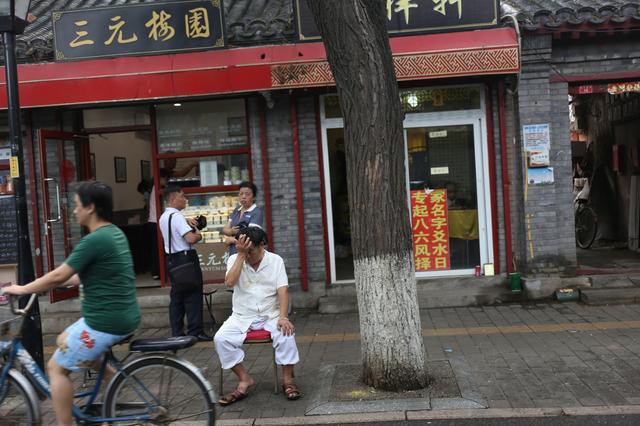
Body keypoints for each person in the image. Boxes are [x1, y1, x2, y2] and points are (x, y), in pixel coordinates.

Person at [3, 181, 141, 426]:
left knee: (56, 367)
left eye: (76, 205)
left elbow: (59, 274)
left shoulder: (94, 240)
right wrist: (59, 282)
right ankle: (112, 382)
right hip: (119, 316)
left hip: (105, 322)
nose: (73, 210)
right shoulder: (114, 233)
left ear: (90, 208)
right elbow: (83, 274)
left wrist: (23, 288)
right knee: (63, 338)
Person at [214, 227, 301, 405]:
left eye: (250, 251)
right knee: (220, 339)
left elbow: (283, 291)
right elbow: (229, 282)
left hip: (270, 314)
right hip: (242, 315)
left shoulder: (275, 261)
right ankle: (244, 379)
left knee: (286, 333)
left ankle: (288, 381)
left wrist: (283, 317)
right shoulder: (235, 259)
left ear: (261, 245)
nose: (247, 255)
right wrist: (240, 255)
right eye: (243, 249)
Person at [159, 186, 212, 341]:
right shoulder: (176, 217)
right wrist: (198, 234)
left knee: (177, 295)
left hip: (172, 259)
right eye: (182, 196)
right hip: (186, 258)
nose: (185, 199)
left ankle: (177, 331)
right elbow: (190, 239)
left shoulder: (164, 217)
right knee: (193, 294)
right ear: (173, 199)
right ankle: (195, 331)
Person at [148, 156, 199, 279]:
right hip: (154, 222)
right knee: (157, 248)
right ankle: (157, 273)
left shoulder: (167, 215)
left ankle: (161, 273)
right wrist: (198, 233)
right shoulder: (160, 190)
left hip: (158, 222)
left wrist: (185, 220)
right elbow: (191, 239)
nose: (167, 181)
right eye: (165, 179)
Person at [221, 181, 264, 256]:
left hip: (248, 255)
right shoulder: (237, 210)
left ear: (253, 197)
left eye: (247, 194)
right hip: (233, 254)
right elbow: (225, 229)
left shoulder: (256, 212)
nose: (243, 197)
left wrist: (232, 240)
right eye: (241, 194)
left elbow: (252, 237)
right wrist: (232, 231)